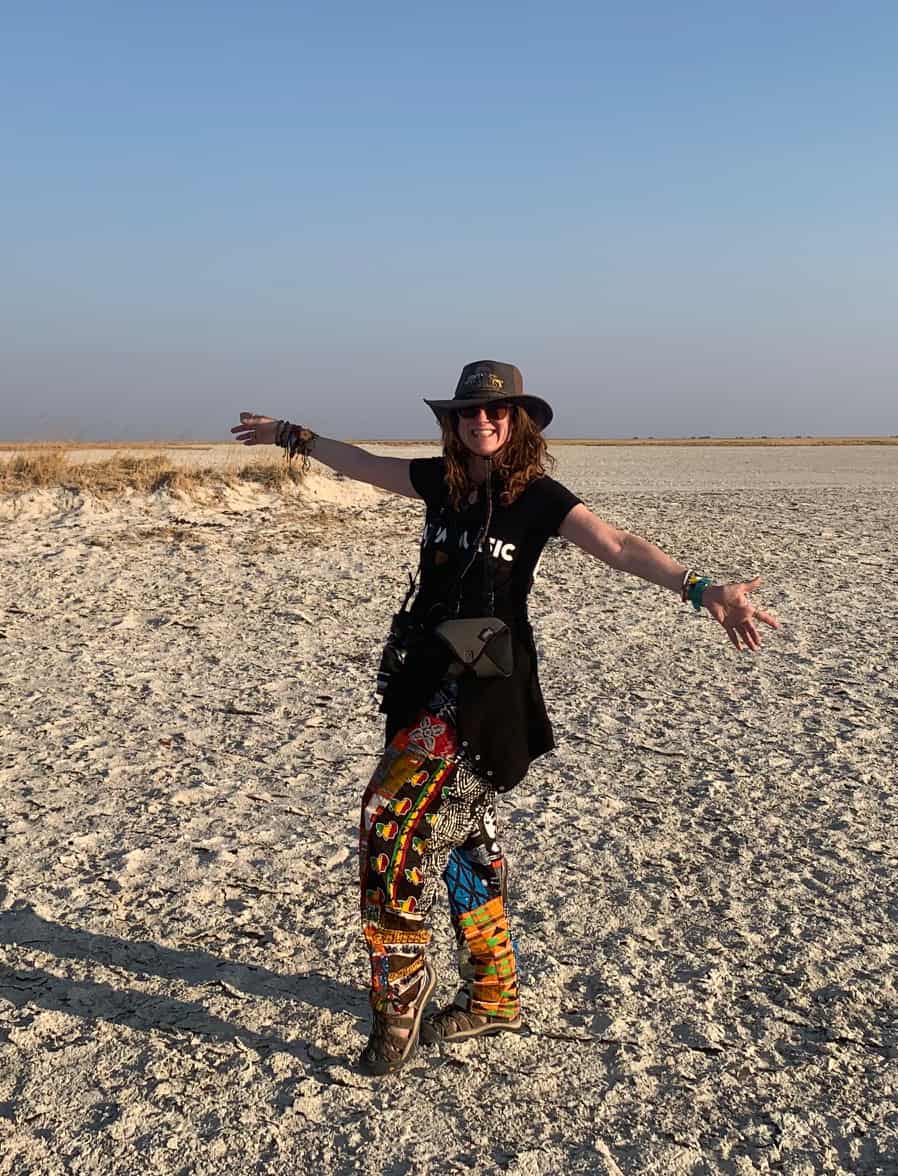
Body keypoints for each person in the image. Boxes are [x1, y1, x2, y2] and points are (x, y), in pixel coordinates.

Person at [230, 360, 778, 1076]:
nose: (481, 423)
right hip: (423, 677)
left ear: (517, 421)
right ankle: (492, 996)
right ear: (453, 424)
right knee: (462, 834)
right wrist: (293, 437)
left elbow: (616, 546)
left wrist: (699, 587)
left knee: (387, 821)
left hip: (487, 689)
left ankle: (400, 997)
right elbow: (363, 464)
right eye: (467, 413)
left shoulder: (539, 498)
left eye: (496, 413)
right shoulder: (442, 482)